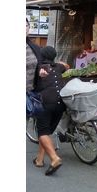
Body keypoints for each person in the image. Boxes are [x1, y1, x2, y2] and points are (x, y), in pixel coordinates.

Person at [32, 46, 70, 176]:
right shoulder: (58, 67)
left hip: (46, 102)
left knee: (42, 132)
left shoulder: (38, 68)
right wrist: (58, 62)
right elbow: (67, 65)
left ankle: (54, 159)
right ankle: (40, 159)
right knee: (46, 132)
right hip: (60, 103)